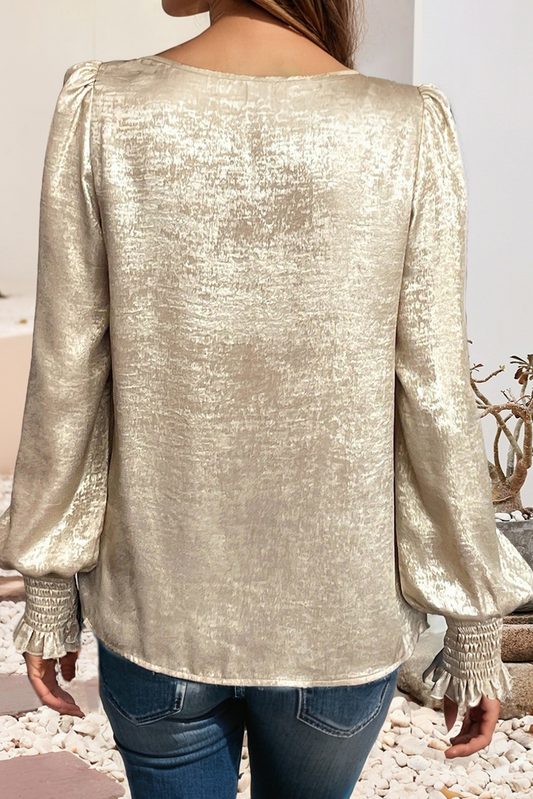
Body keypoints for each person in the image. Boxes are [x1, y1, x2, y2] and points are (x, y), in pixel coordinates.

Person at [1, 0, 533, 797]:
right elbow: (433, 394)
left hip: (160, 612)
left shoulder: (104, 106)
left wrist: (48, 585)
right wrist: (473, 619)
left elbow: (68, 363)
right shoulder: (405, 126)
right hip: (339, 624)